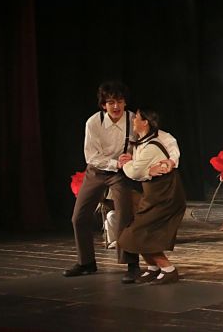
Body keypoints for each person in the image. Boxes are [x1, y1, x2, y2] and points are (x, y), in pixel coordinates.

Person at [63, 81, 179, 283]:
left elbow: (164, 138)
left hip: (121, 173)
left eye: (119, 101)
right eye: (111, 102)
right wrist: (116, 163)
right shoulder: (93, 123)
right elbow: (91, 156)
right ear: (103, 105)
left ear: (125, 102)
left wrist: (172, 159)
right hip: (97, 170)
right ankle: (86, 262)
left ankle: (132, 264)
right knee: (78, 217)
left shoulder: (134, 119)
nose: (116, 106)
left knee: (125, 216)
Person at [117, 108, 186, 285]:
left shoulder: (155, 143)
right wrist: (143, 168)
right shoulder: (141, 143)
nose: (133, 120)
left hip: (165, 195)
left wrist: (127, 165)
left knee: (136, 234)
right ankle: (153, 268)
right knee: (138, 233)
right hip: (153, 195)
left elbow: (134, 172)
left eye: (136, 118)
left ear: (145, 122)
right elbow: (139, 169)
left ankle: (168, 269)